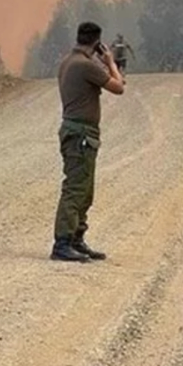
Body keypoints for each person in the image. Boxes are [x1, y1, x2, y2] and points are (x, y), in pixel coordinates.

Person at [51, 22, 125, 263]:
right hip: (81, 134)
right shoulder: (85, 65)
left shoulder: (67, 62)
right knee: (75, 189)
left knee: (85, 189)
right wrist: (110, 62)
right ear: (97, 43)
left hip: (78, 133)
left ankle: (76, 239)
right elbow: (118, 87)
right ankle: (62, 243)